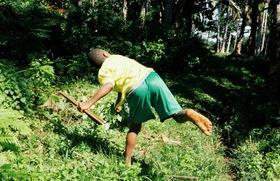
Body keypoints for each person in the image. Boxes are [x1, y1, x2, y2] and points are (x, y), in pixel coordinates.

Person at [78, 49, 212, 165]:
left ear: (95, 67)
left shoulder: (103, 72)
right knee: (176, 114)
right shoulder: (117, 58)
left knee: (135, 127)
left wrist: (88, 103)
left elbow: (110, 85)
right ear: (105, 54)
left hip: (136, 89)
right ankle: (187, 113)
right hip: (152, 77)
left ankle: (127, 161)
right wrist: (119, 104)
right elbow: (120, 86)